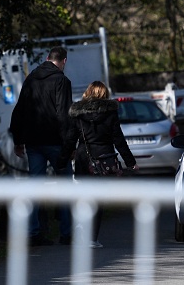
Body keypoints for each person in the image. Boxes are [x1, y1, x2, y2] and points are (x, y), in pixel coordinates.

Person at [60, 81, 139, 248]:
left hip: (83, 159)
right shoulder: (110, 113)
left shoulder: (78, 113)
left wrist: (61, 160)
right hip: (104, 160)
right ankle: (92, 238)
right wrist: (130, 162)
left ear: (88, 92)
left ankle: (80, 225)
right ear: (105, 94)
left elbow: (70, 139)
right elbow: (118, 139)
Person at [10, 46, 73, 246]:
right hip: (55, 142)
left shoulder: (31, 79)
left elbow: (19, 110)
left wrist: (18, 140)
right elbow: (63, 115)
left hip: (33, 142)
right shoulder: (62, 81)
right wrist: (68, 145)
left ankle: (32, 232)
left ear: (47, 58)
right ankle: (67, 233)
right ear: (64, 61)